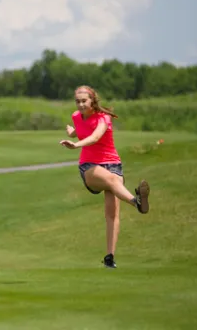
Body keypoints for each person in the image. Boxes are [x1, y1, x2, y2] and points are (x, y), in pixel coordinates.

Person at [59, 85, 150, 269]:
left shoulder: (104, 118)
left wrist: (75, 145)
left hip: (113, 164)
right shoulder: (76, 116)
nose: (81, 104)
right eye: (78, 101)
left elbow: (95, 137)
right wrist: (73, 133)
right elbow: (81, 128)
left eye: (84, 101)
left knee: (112, 213)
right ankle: (136, 202)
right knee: (111, 180)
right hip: (89, 166)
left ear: (93, 100)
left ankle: (110, 257)